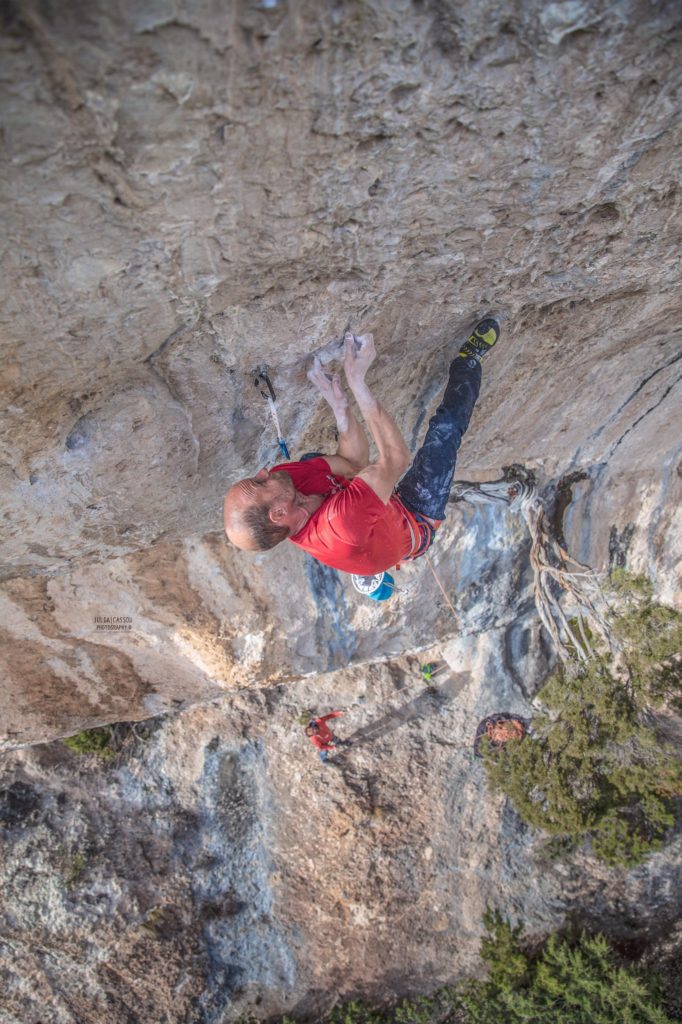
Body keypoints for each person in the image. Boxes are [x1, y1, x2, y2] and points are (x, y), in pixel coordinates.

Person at [223, 318, 500, 574]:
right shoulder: (339, 526)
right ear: (279, 514)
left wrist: (340, 408)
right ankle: (468, 361)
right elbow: (395, 459)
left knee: (313, 461)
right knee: (445, 431)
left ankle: (369, 491)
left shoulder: (287, 483)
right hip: (415, 517)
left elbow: (352, 462)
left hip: (375, 514)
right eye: (259, 484)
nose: (261, 472)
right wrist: (357, 383)